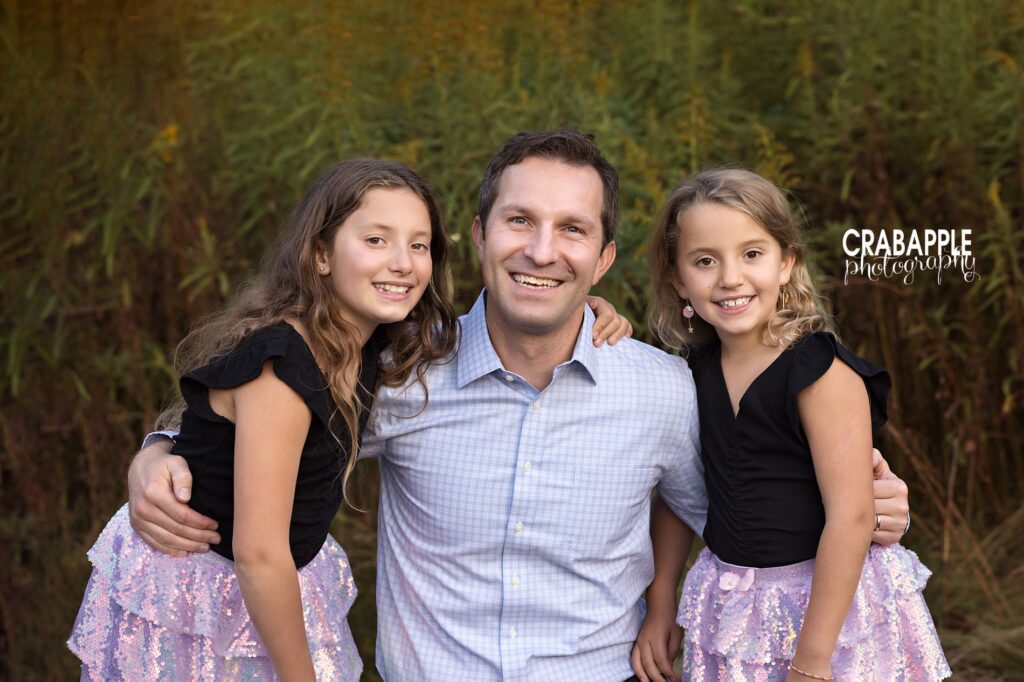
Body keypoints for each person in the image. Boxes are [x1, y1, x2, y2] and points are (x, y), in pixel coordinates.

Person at [125, 131, 912, 681]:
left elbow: (739, 497)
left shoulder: (663, 390)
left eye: (572, 229)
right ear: (475, 236)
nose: (542, 251)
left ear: (602, 259)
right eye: (520, 221)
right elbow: (262, 410)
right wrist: (158, 452)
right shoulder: (401, 372)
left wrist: (865, 507)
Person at [67, 158, 461, 680]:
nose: (404, 263)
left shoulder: (369, 340)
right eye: (376, 240)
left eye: (419, 245)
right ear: (321, 254)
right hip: (201, 591)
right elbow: (257, 553)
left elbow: (512, 326)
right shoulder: (282, 368)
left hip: (266, 577)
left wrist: (593, 311)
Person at [633, 168, 950, 681]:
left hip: (830, 613)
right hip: (733, 607)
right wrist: (662, 601)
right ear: (677, 278)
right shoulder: (689, 373)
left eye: (752, 254)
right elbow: (678, 492)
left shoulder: (819, 372)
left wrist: (812, 660)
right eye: (705, 261)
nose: (730, 278)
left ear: (787, 263)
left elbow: (851, 517)